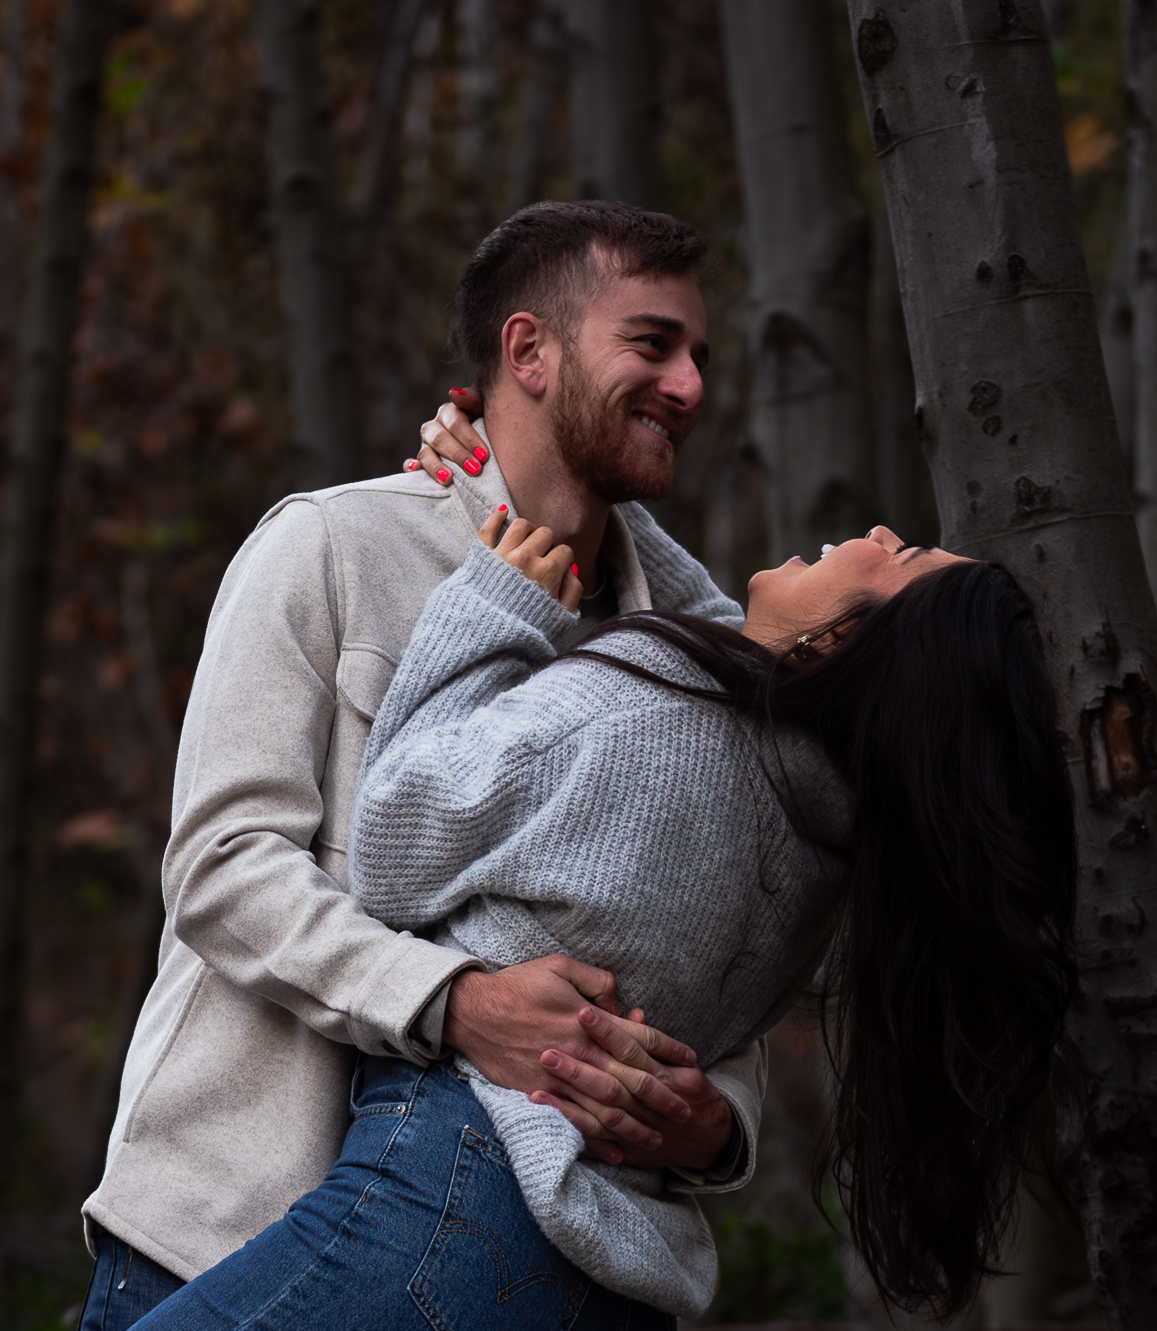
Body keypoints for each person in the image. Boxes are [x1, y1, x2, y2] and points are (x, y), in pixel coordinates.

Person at [78, 202, 771, 1331]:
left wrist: (716, 1122)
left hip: (527, 1271)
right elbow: (220, 865)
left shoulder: (703, 653)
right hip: (222, 1234)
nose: (690, 384)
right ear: (527, 352)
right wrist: (454, 1003)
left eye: (698, 354)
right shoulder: (332, 545)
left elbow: (740, 945)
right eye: (652, 344)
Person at [129, 507, 1079, 1329]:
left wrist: (497, 601)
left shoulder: (655, 725)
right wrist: (573, 501)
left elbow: (396, 839)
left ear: (842, 646)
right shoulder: (817, 825)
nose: (878, 531)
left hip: (461, 1191)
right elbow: (733, 626)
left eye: (900, 555)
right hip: (614, 1273)